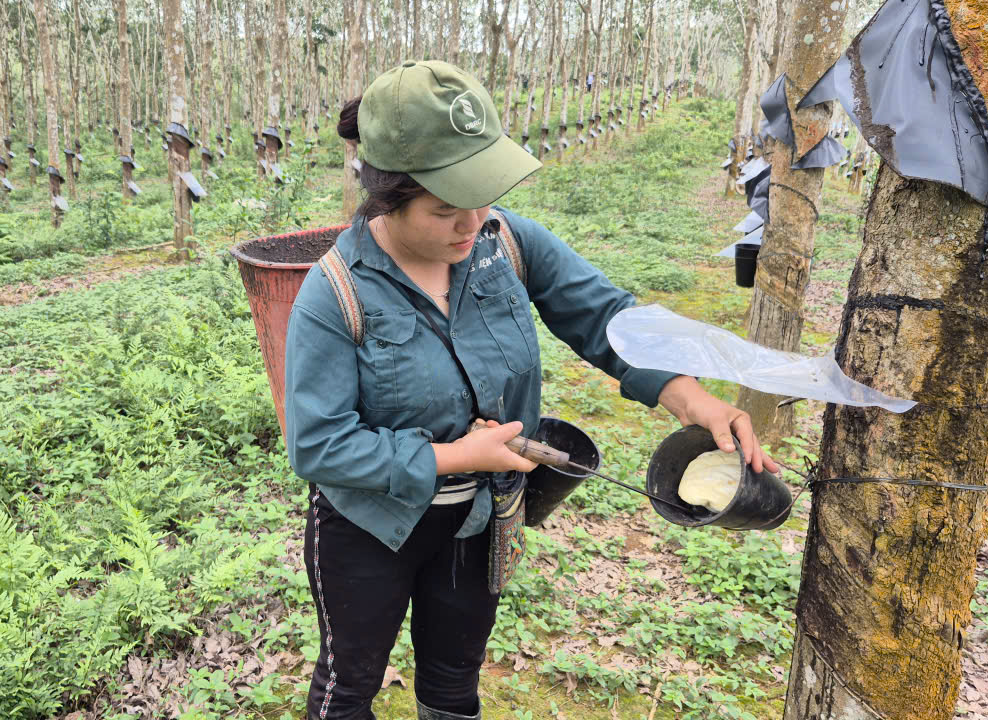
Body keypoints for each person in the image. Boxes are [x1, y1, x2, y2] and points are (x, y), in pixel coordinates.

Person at [283, 60, 778, 720]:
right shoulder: (335, 293)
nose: (472, 223)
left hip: (481, 518)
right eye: (446, 210)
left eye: (481, 198)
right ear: (387, 197)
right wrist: (458, 457)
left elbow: (603, 315)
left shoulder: (503, 242)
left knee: (454, 683)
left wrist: (691, 397)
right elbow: (319, 447)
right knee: (348, 688)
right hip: (369, 525)